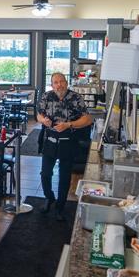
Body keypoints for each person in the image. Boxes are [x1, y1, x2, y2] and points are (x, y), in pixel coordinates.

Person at [36, 72, 93, 221]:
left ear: (66, 83)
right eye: (56, 82)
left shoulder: (76, 98)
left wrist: (69, 124)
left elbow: (87, 119)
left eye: (61, 81)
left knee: (65, 176)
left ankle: (60, 206)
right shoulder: (46, 96)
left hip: (68, 140)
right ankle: (49, 198)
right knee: (45, 173)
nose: (59, 85)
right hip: (49, 139)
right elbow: (39, 115)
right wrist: (43, 120)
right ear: (52, 84)